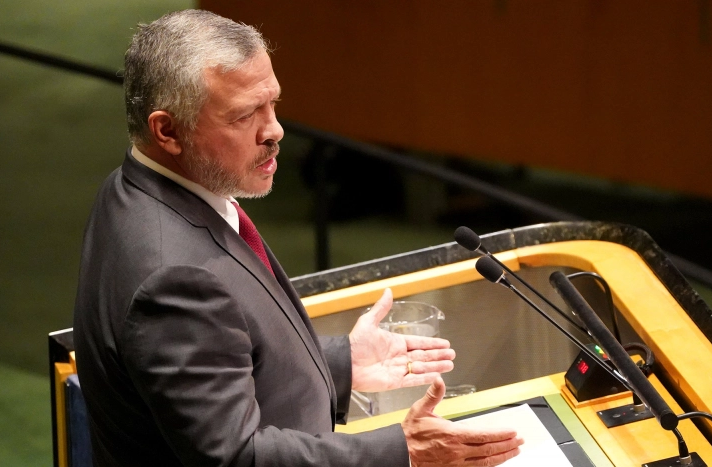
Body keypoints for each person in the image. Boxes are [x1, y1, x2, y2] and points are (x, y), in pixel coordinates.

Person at [73, 9, 524, 467]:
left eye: (272, 103)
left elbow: (215, 363)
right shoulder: (175, 276)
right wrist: (403, 451)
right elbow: (236, 457)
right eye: (246, 114)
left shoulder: (138, 187)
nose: (274, 131)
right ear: (167, 130)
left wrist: (341, 362)